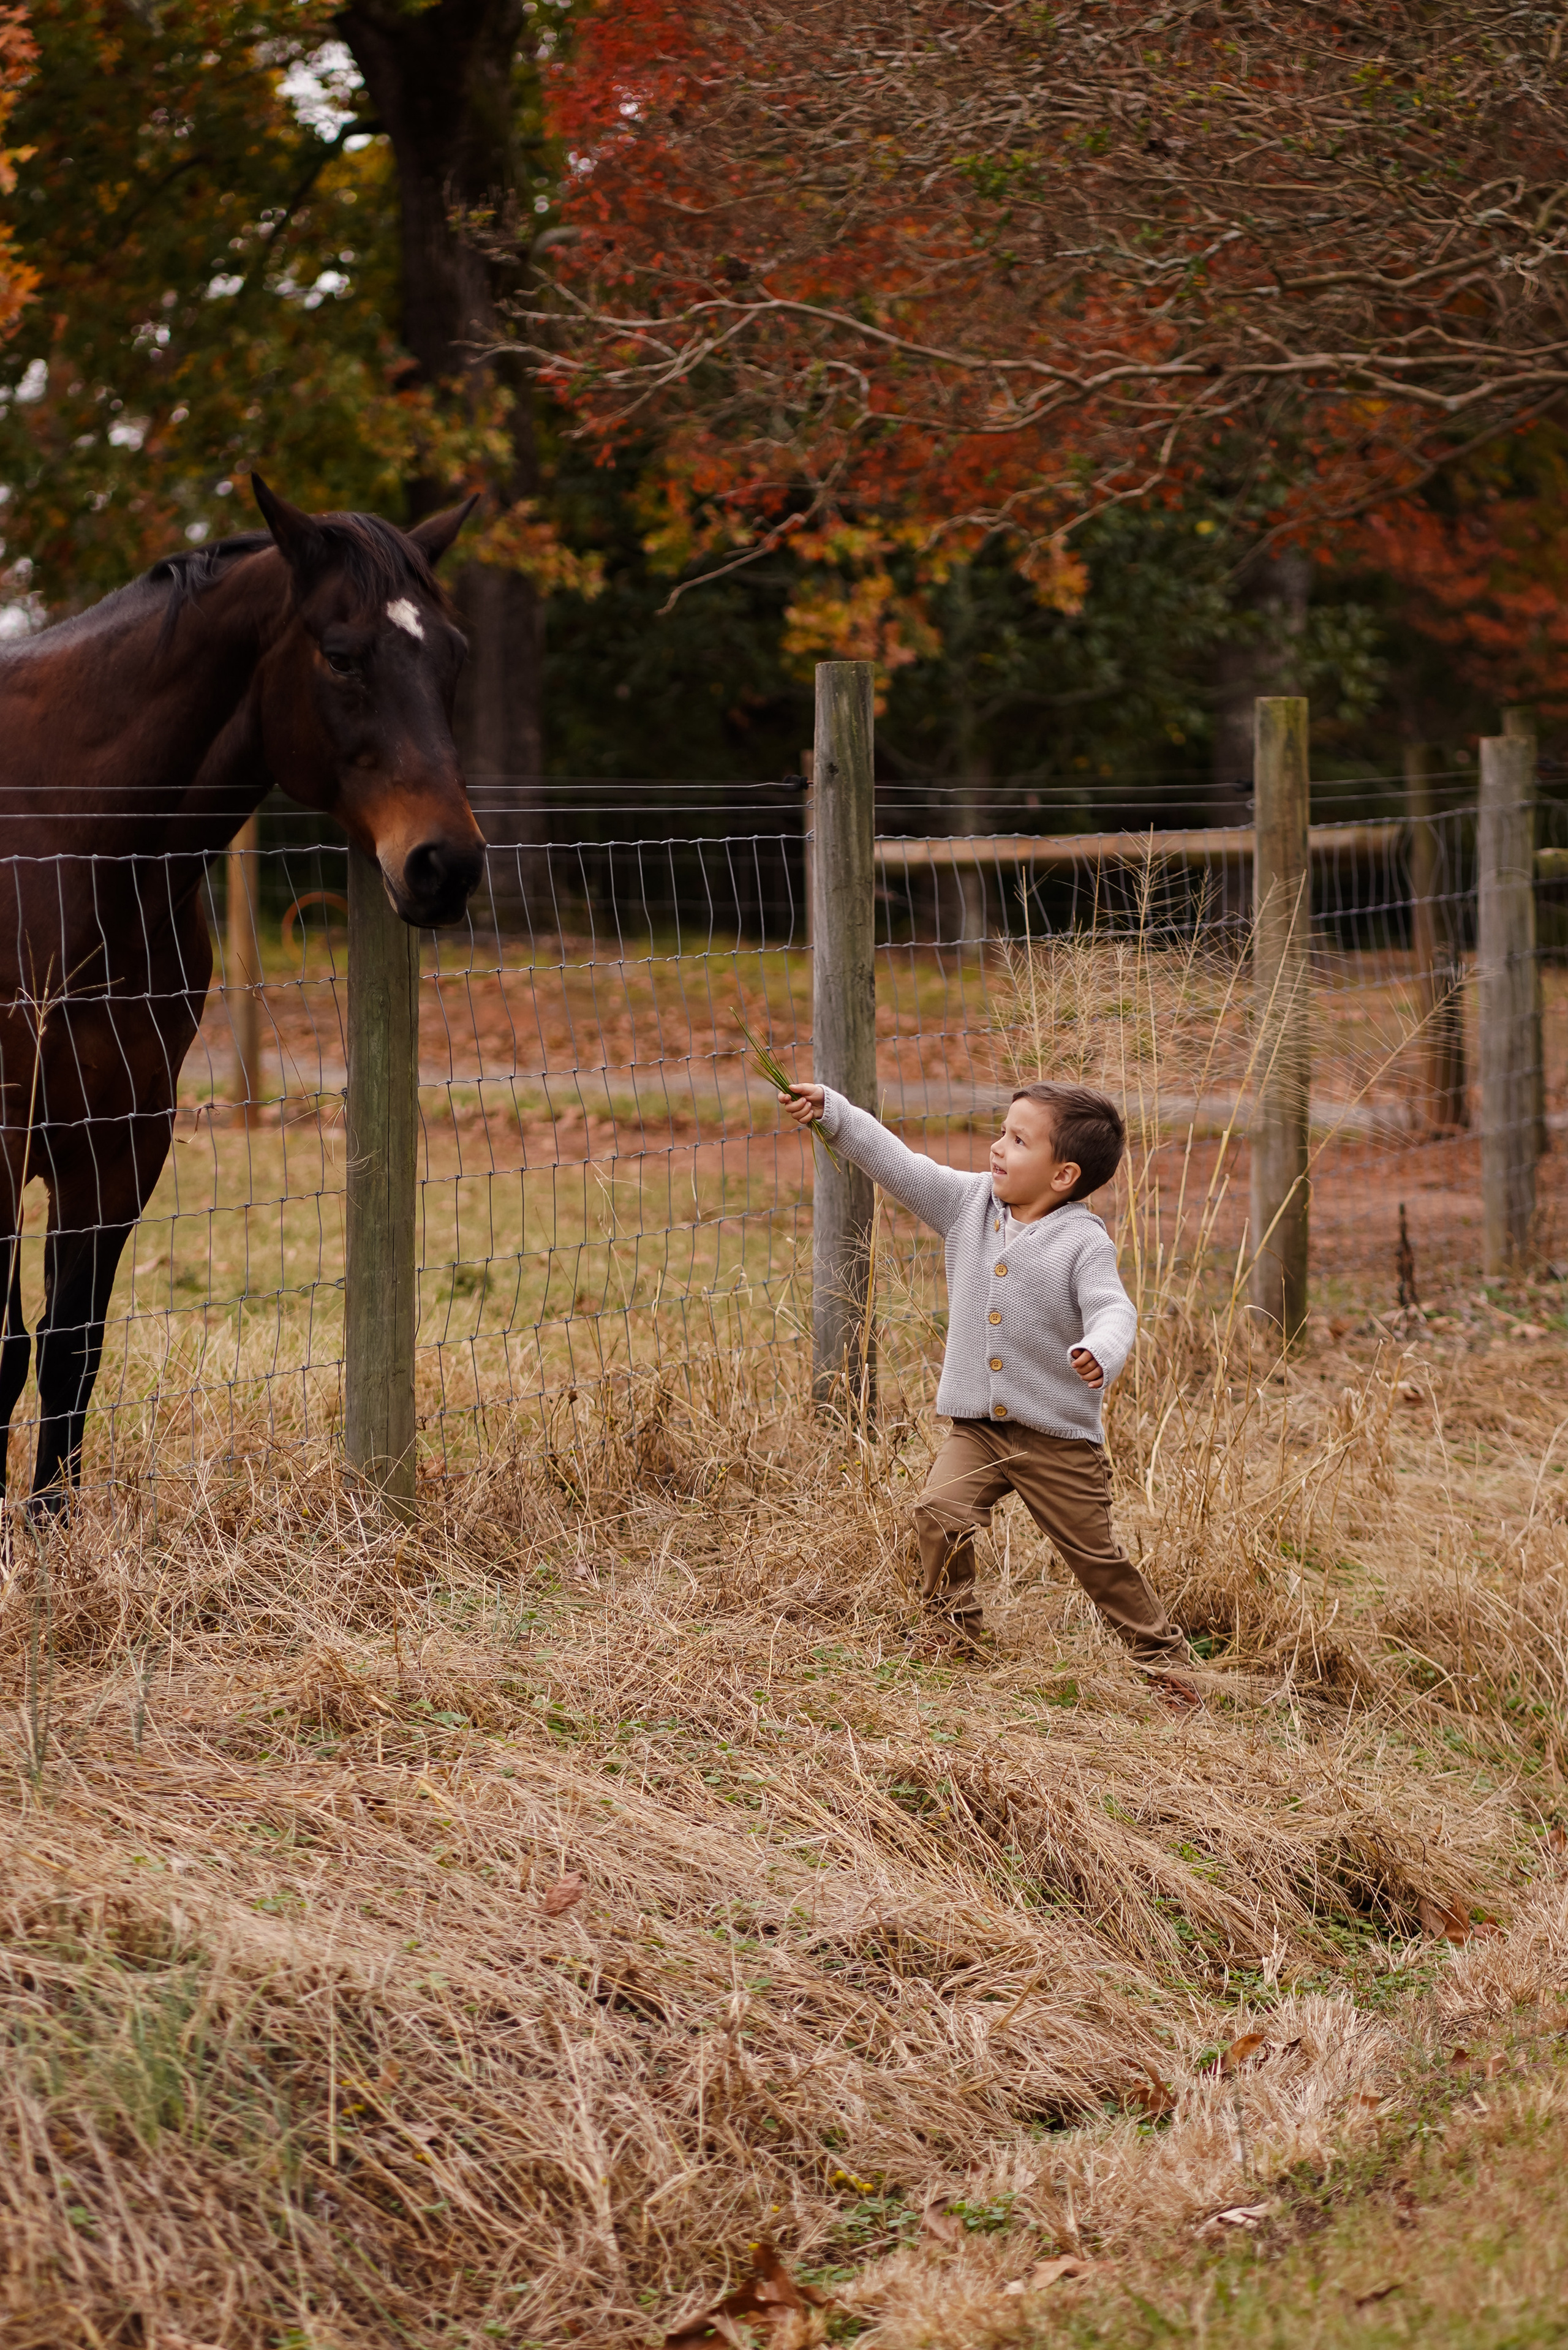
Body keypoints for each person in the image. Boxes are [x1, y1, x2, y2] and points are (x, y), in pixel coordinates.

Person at [780, 1075, 1196, 1697]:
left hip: (1056, 1437)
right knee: (938, 1512)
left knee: (1094, 1559)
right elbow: (897, 1163)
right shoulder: (967, 1204)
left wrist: (1098, 1352)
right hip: (977, 1426)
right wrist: (832, 1113)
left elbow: (1115, 1310)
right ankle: (953, 1630)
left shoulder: (1084, 1242)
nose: (998, 1147)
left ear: (1063, 1175)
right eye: (1001, 1132)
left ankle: (1165, 1660)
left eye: (1019, 1140)